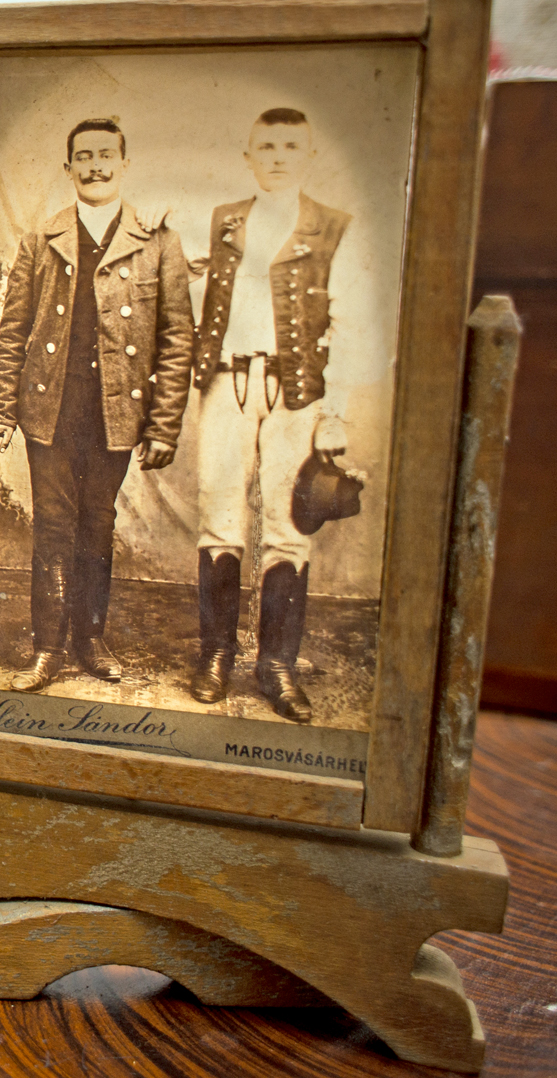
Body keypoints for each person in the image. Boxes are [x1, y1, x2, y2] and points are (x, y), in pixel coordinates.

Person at [0, 119, 195, 692]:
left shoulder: (157, 241)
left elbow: (176, 337)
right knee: (52, 527)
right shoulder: (41, 241)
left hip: (117, 415)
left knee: (98, 523)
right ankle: (47, 649)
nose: (95, 166)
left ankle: (90, 641)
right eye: (83, 157)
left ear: (123, 162)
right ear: (68, 169)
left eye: (106, 156)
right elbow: (12, 330)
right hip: (51, 412)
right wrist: (0, 412)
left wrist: (163, 425)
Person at [187, 107, 355, 724]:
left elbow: (348, 322)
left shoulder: (333, 226)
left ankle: (277, 665)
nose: (278, 155)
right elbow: (195, 287)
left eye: (291, 146)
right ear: (249, 156)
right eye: (267, 145)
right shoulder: (224, 222)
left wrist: (333, 412)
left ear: (308, 156)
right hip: (226, 381)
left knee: (288, 527)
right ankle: (216, 656)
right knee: (219, 519)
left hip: (296, 389)